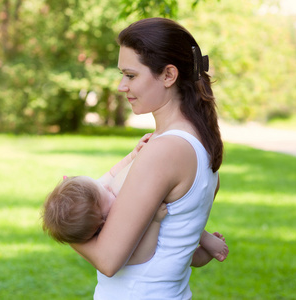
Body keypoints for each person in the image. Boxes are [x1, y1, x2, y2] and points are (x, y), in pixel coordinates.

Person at [69, 17, 225, 299]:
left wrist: (61, 222)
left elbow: (107, 259)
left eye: (130, 75)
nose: (121, 86)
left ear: (168, 75)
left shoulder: (166, 150)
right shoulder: (199, 144)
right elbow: (178, 249)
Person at [42, 133, 228, 266]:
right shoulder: (113, 235)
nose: (108, 186)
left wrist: (133, 155)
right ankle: (206, 250)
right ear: (102, 222)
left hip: (173, 236)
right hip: (155, 264)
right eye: (107, 194)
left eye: (102, 186)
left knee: (181, 242)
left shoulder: (99, 197)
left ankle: (206, 242)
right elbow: (142, 256)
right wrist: (154, 221)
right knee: (185, 258)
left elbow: (111, 174)